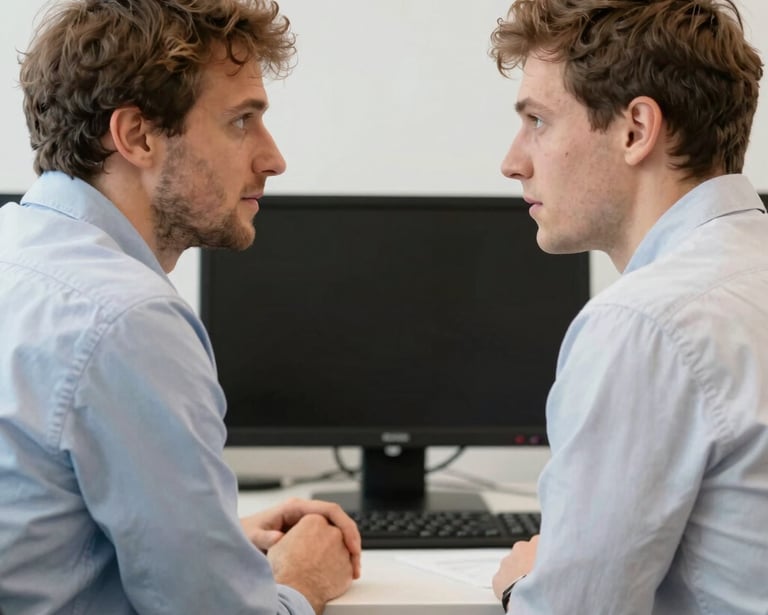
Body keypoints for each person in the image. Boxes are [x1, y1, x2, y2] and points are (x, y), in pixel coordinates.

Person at [0, 1, 361, 614]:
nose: (272, 159)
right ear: (138, 136)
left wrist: (217, 538)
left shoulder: (18, 252)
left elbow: (37, 531)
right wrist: (301, 580)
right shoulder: (126, 319)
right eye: (242, 121)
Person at [488, 0, 767, 613]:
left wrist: (521, 584)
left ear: (636, 130)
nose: (513, 162)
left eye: (537, 120)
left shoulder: (644, 325)